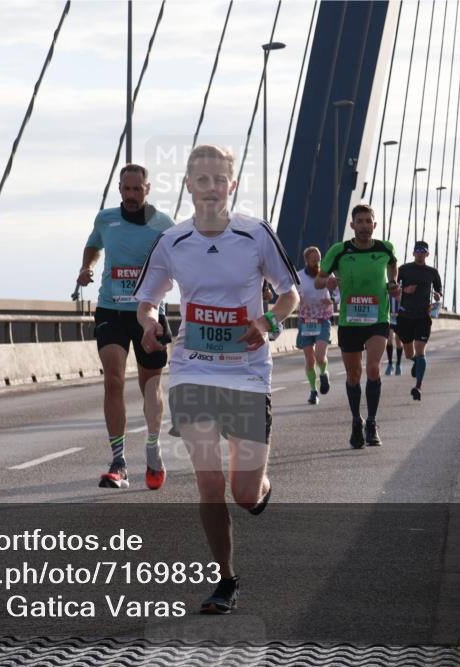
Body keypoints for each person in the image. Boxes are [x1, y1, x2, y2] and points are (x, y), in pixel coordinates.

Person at [135, 144, 298, 614]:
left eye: (219, 179)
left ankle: (260, 488)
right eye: (201, 180)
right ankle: (225, 580)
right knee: (209, 485)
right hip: (193, 370)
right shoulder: (172, 241)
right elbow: (148, 301)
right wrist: (149, 323)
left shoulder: (255, 234)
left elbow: (289, 293)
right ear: (188, 185)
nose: (210, 188)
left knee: (244, 494)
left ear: (232, 185)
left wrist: (267, 322)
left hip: (246, 374)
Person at [77, 164, 174, 490]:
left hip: (149, 314)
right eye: (126, 189)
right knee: (113, 381)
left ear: (147, 189)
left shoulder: (164, 224)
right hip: (112, 310)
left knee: (150, 386)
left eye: (137, 189)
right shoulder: (105, 219)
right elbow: (94, 245)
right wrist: (87, 267)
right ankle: (118, 461)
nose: (131, 195)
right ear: (119, 189)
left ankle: (153, 446)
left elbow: (182, 260)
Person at [315, 204, 399, 448]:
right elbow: (319, 280)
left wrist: (393, 282)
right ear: (352, 225)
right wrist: (328, 283)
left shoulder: (385, 248)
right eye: (359, 221)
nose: (364, 226)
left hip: (378, 319)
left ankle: (371, 423)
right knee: (354, 375)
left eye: (368, 221)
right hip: (349, 321)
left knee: (373, 369)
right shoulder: (339, 251)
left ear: (375, 224)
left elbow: (393, 265)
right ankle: (356, 421)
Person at [394, 241, 442, 401]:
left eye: (423, 251)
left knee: (421, 352)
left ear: (427, 254)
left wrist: (438, 295)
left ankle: (418, 387)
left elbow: (439, 290)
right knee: (409, 354)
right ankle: (416, 362)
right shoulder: (403, 269)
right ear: (413, 253)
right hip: (405, 316)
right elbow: (392, 288)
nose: (420, 253)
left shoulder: (432, 272)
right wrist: (404, 290)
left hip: (423, 317)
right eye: (418, 251)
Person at [295, 246, 336, 404]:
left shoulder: (327, 274)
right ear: (306, 261)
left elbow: (338, 293)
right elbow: (292, 296)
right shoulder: (299, 276)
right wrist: (298, 299)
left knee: (320, 356)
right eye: (314, 260)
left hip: (322, 319)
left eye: (319, 260)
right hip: (305, 320)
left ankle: (324, 373)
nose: (317, 263)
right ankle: (313, 391)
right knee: (310, 360)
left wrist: (332, 300)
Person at [385, 296, 404, 376]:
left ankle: (398, 364)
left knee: (398, 343)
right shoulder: (387, 291)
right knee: (389, 340)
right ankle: (390, 364)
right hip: (390, 318)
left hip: (400, 319)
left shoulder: (401, 291)